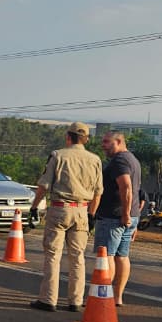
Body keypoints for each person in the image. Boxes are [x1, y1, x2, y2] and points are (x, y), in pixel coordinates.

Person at [27, 122, 103, 312]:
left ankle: (48, 299)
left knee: (53, 255)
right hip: (82, 211)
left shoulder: (58, 155)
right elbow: (98, 192)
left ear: (68, 137)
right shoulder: (95, 160)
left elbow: (43, 186)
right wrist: (91, 214)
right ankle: (75, 301)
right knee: (78, 257)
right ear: (85, 139)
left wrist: (34, 207)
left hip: (60, 209)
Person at [93, 132, 142, 306]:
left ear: (119, 142)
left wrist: (125, 213)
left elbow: (127, 187)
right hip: (128, 217)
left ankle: (103, 297)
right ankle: (117, 297)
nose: (103, 145)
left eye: (107, 142)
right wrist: (132, 216)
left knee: (107, 256)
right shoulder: (133, 159)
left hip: (114, 217)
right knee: (122, 256)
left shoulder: (119, 161)